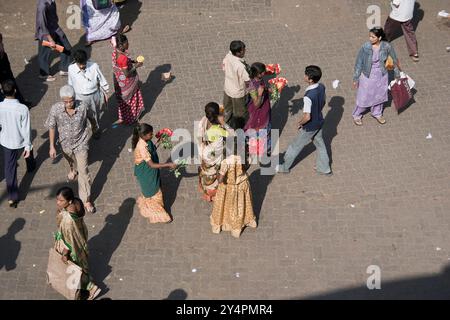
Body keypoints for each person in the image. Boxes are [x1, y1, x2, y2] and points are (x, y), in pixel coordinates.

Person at [45, 85, 97, 213]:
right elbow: (51, 126)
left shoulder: (83, 106)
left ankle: (86, 199)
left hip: (81, 143)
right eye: (66, 101)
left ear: (75, 98)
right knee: (70, 160)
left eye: (71, 100)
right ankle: (72, 169)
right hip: (65, 144)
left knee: (84, 171)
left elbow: (91, 117)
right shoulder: (56, 109)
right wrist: (51, 146)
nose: (69, 103)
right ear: (62, 100)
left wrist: (95, 128)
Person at [275, 66, 332, 175]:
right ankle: (324, 168)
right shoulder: (321, 87)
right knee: (320, 144)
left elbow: (307, 117)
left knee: (295, 146)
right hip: (319, 121)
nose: (304, 76)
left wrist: (300, 123)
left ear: (310, 80)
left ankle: (284, 167)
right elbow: (323, 102)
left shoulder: (308, 97)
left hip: (310, 126)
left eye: (306, 75)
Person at [54, 187, 101, 300]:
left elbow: (68, 241)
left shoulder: (68, 220)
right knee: (81, 261)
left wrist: (65, 254)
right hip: (80, 233)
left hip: (73, 243)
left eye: (61, 201)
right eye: (57, 199)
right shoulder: (77, 201)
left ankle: (90, 289)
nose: (57, 203)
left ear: (69, 201)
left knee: (75, 267)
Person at [352, 27, 400, 126]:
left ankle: (377, 113)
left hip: (381, 74)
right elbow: (359, 63)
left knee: (379, 95)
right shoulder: (365, 47)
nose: (370, 39)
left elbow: (394, 60)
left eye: (373, 37)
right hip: (367, 75)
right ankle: (357, 114)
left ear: (379, 37)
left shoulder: (387, 46)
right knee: (364, 96)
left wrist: (397, 74)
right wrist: (356, 78)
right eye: (369, 36)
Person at [210, 136, 257, 238]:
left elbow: (220, 180)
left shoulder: (226, 161)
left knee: (228, 206)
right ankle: (243, 223)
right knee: (241, 206)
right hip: (242, 186)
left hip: (229, 188)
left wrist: (217, 170)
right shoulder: (245, 156)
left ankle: (227, 224)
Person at [132, 123, 176, 223]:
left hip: (149, 170)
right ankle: (160, 214)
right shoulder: (142, 147)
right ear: (143, 135)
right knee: (154, 192)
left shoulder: (146, 141)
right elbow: (151, 164)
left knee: (156, 187)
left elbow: (152, 150)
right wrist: (168, 164)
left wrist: (159, 142)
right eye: (150, 134)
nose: (152, 136)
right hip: (146, 172)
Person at [0, 80, 32, 208]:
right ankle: (31, 165)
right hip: (21, 139)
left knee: (9, 168)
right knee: (29, 152)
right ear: (15, 91)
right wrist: (28, 145)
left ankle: (12, 197)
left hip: (6, 141)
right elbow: (26, 129)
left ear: (2, 91)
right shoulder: (22, 109)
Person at [68, 49, 109, 137]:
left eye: (84, 63)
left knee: (95, 113)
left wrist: (106, 91)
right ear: (76, 61)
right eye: (80, 64)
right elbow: (70, 82)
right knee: (83, 115)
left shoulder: (94, 66)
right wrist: (70, 96)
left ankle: (96, 128)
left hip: (94, 95)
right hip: (80, 97)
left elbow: (101, 79)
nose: (82, 66)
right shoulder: (71, 68)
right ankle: (86, 129)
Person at [197, 102, 232, 202]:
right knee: (214, 175)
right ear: (217, 115)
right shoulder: (217, 129)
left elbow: (200, 139)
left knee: (207, 174)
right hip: (215, 157)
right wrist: (224, 123)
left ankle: (207, 193)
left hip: (205, 154)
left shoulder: (202, 122)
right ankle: (214, 194)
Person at [35, 0, 72, 82]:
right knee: (44, 54)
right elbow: (42, 24)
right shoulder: (42, 5)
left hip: (55, 29)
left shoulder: (52, 1)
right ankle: (44, 74)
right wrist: (50, 39)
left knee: (65, 47)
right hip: (46, 34)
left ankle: (64, 68)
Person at [112, 34, 145, 125]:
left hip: (119, 83)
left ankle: (122, 117)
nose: (128, 44)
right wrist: (136, 66)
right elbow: (126, 73)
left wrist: (132, 61)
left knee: (122, 102)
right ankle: (131, 119)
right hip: (127, 84)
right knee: (131, 101)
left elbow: (122, 64)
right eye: (127, 43)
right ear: (121, 45)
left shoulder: (116, 52)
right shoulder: (122, 58)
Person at [244, 62, 272, 156]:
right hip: (258, 113)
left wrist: (267, 89)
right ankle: (262, 149)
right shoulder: (252, 85)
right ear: (258, 74)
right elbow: (257, 104)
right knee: (262, 131)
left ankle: (264, 148)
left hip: (264, 109)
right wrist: (260, 94)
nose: (265, 73)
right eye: (263, 72)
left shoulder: (257, 80)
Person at [222, 40, 250, 129]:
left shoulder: (228, 56)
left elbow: (223, 68)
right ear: (238, 52)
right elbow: (247, 80)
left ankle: (225, 123)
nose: (245, 51)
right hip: (238, 93)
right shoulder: (240, 66)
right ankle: (238, 130)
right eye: (243, 50)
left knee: (227, 109)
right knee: (239, 114)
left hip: (228, 88)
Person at [0, 33, 29, 106]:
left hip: (3, 62)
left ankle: (21, 102)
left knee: (12, 83)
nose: (2, 45)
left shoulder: (2, 51)